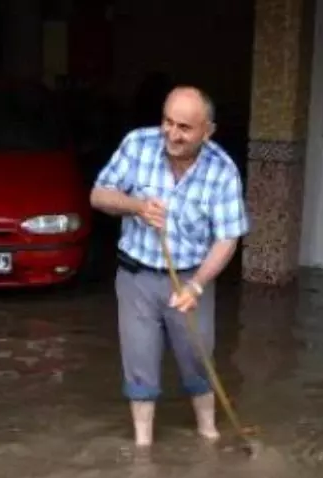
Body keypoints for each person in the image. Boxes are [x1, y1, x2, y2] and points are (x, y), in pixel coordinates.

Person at [89, 86, 249, 447]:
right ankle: (142, 446)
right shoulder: (138, 144)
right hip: (136, 277)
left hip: (190, 278)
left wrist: (197, 285)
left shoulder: (222, 170)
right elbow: (98, 195)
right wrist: (136, 206)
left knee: (198, 357)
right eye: (167, 122)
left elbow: (228, 239)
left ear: (207, 131)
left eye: (184, 128)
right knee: (139, 360)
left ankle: (208, 432)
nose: (172, 134)